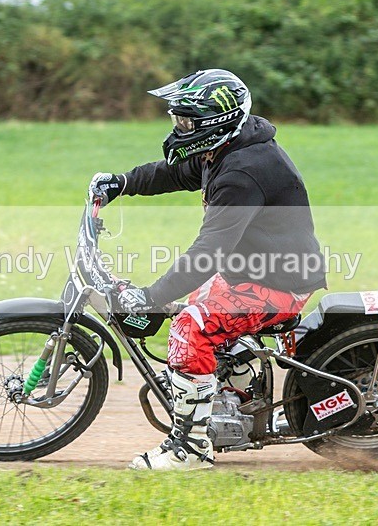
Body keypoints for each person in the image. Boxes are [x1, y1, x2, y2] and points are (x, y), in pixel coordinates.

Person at [88, 69, 327, 471]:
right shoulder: (228, 147)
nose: (179, 128)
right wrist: (123, 182)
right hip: (254, 270)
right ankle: (236, 394)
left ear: (214, 123)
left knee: (190, 327)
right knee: (192, 315)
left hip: (277, 282)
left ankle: (192, 448)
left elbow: (208, 252)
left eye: (185, 121)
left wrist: (149, 297)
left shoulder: (242, 173)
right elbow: (175, 172)